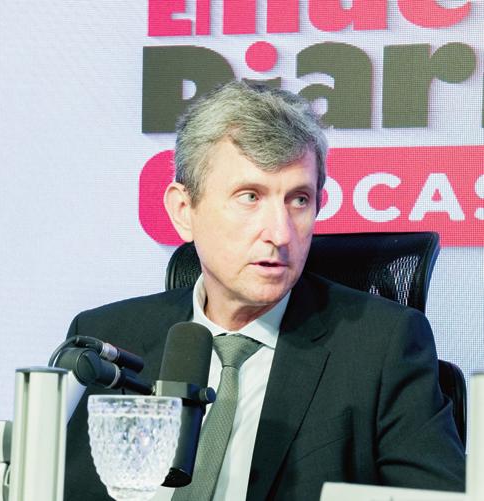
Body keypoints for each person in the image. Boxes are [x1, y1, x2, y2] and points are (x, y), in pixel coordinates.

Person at [64, 81, 465, 500]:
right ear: (184, 211)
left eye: (299, 200)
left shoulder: (381, 348)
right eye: (250, 196)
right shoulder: (107, 339)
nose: (280, 233)